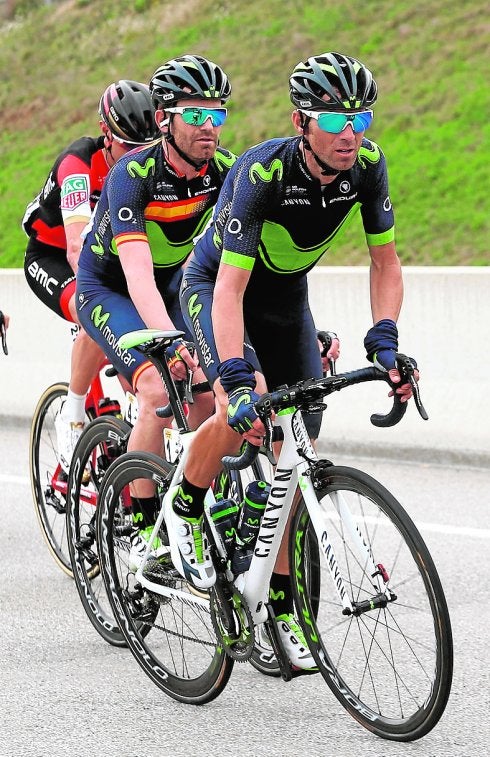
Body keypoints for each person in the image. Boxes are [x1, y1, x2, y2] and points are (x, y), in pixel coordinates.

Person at [174, 51, 418, 669]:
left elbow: (385, 261)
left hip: (285, 305)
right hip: (217, 290)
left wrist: (384, 335)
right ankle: (184, 507)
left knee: (293, 450)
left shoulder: (367, 166)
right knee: (243, 410)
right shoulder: (261, 173)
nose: (351, 133)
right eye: (335, 121)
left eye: (360, 117)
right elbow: (227, 290)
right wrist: (233, 375)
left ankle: (284, 601)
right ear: (301, 121)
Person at [75, 54, 237, 565]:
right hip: (110, 285)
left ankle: (189, 495)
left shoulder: (227, 172)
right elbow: (137, 274)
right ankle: (142, 528)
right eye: (195, 114)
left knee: (213, 393)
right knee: (156, 386)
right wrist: (171, 340)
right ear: (165, 119)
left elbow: (242, 267)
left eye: (217, 114)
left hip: (173, 282)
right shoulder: (132, 174)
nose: (208, 126)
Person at [22, 80, 159, 473]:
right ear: (106, 135)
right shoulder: (78, 164)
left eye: (147, 150)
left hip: (107, 258)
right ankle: (74, 409)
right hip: (53, 257)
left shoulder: (150, 171)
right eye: (130, 149)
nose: (139, 159)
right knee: (93, 315)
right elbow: (76, 247)